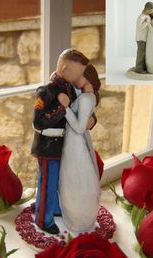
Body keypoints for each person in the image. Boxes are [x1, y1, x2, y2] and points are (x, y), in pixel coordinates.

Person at [31, 49, 97, 235]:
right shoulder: (46, 91)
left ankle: (56, 207)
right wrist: (61, 108)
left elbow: (80, 111)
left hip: (66, 147)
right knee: (48, 182)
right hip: (48, 146)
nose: (80, 77)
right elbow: (38, 121)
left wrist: (92, 120)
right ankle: (44, 218)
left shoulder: (71, 89)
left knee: (61, 181)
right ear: (66, 67)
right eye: (79, 72)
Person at [58, 64, 101, 232]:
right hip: (75, 143)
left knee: (74, 180)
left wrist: (66, 107)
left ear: (86, 77)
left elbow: (79, 127)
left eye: (79, 76)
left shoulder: (85, 99)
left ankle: (78, 219)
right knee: (73, 180)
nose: (76, 79)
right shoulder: (87, 97)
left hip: (76, 144)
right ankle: (76, 217)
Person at [135, 2, 153, 73]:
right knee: (141, 53)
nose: (151, 12)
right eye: (150, 11)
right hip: (141, 38)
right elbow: (139, 27)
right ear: (147, 9)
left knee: (144, 53)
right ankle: (138, 68)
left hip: (144, 38)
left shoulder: (146, 16)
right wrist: (147, 23)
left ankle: (143, 67)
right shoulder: (141, 17)